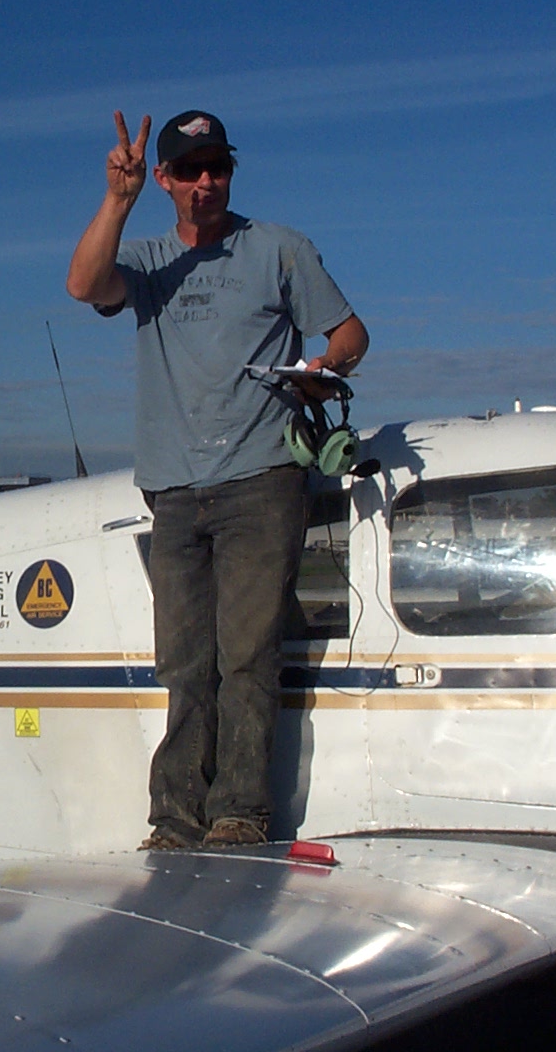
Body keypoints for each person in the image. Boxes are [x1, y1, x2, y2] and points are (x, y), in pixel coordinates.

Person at [67, 109, 370, 850]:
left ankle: (239, 815)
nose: (207, 183)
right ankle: (173, 820)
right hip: (171, 488)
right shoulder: (144, 260)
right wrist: (118, 198)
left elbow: (349, 332)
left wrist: (325, 370)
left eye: (219, 168)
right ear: (165, 178)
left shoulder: (280, 249)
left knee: (248, 656)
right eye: (191, 171)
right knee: (183, 663)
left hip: (263, 477)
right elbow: (83, 286)